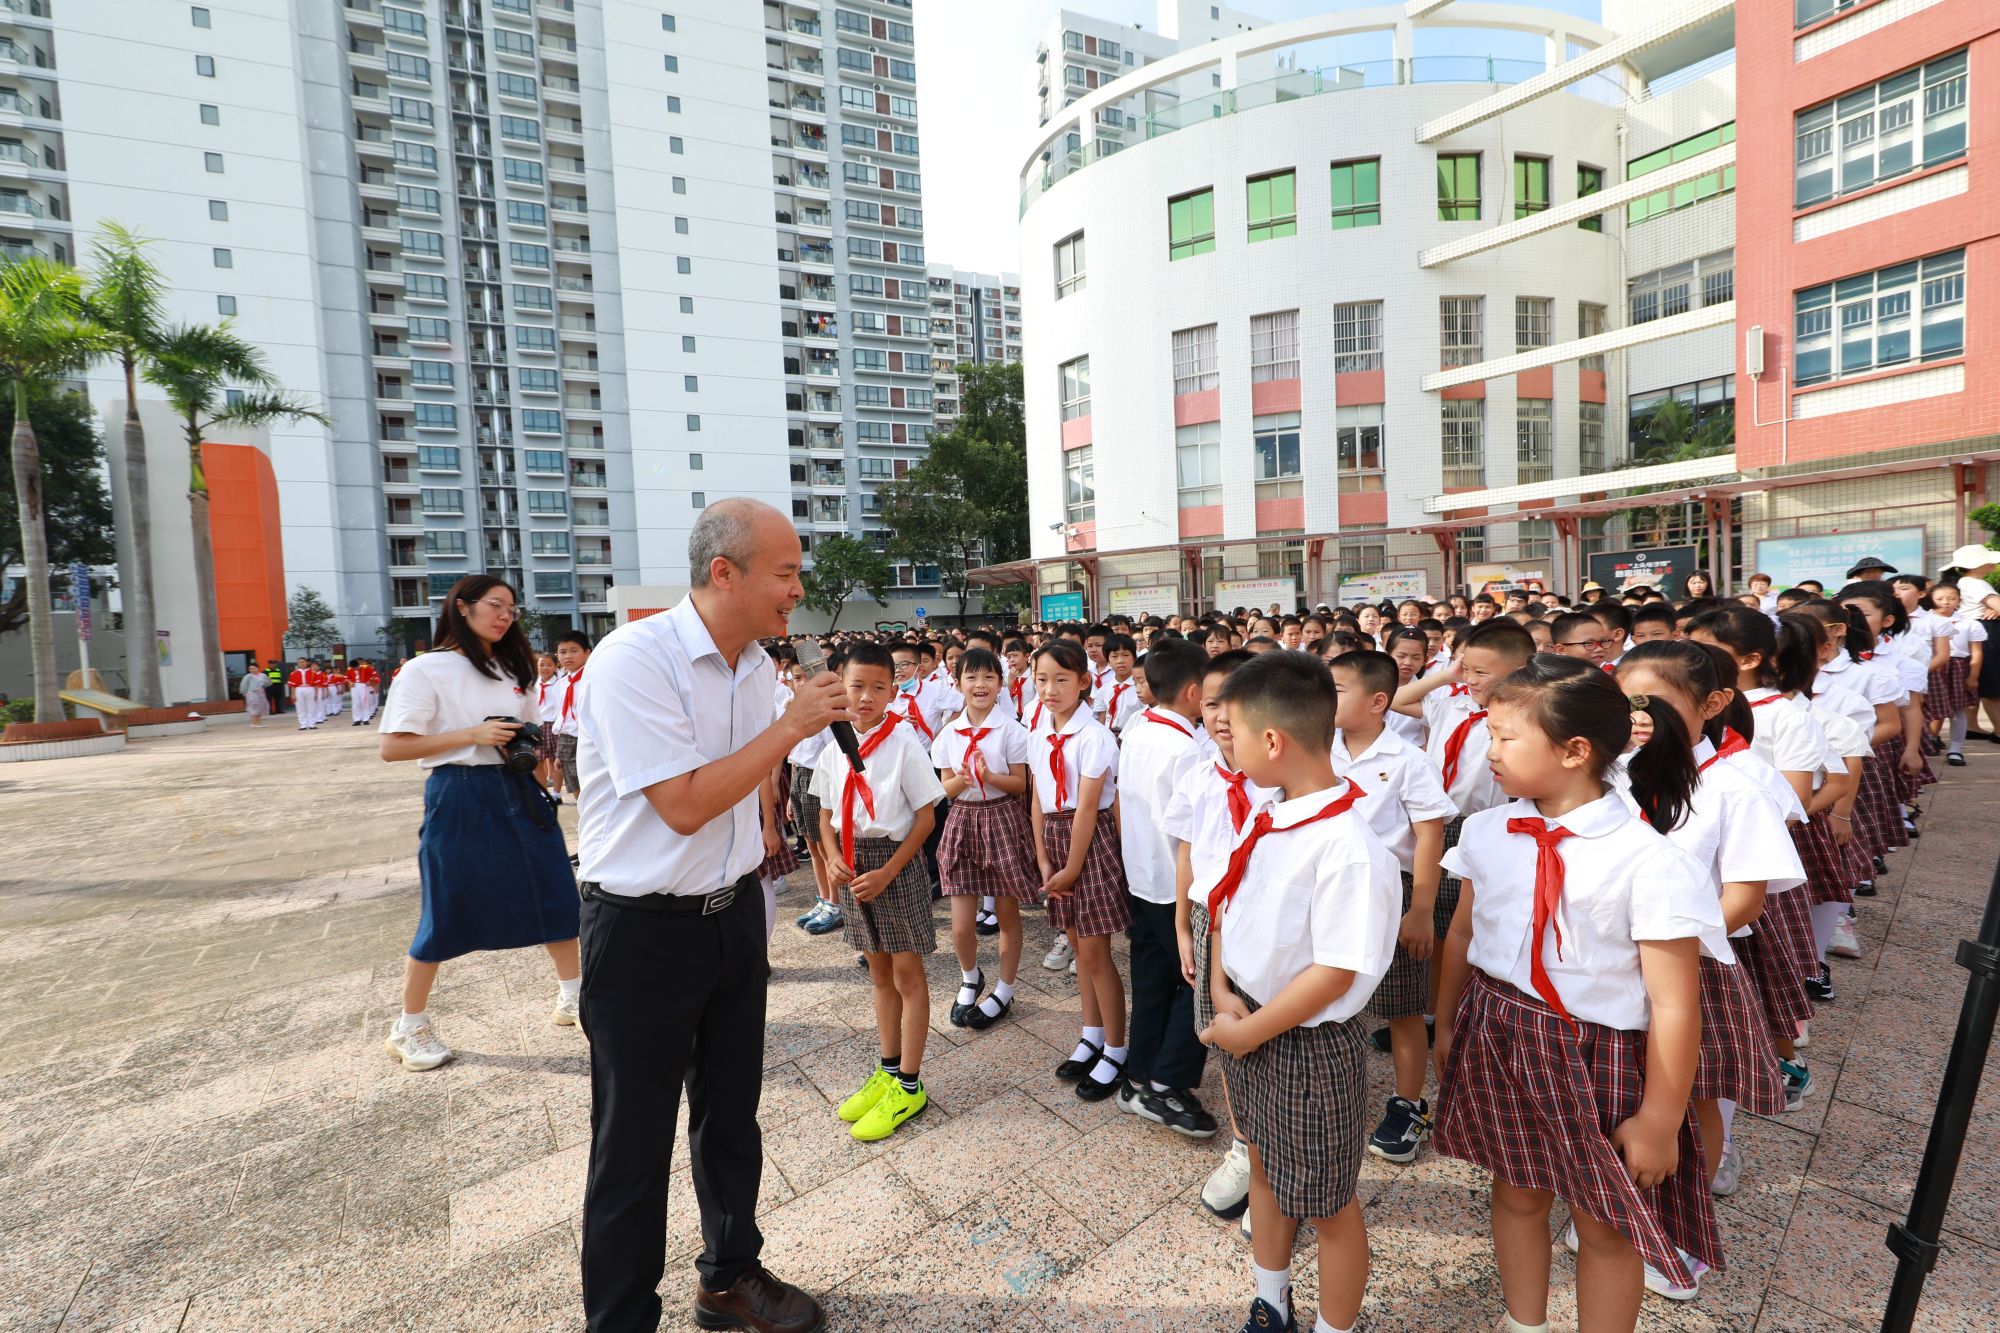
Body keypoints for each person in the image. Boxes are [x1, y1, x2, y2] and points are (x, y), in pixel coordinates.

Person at [572, 500, 844, 1333]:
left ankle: (729, 1275)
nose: (798, 588)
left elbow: (743, 785)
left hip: (730, 918)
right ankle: (619, 1320)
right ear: (723, 572)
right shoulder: (633, 660)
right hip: (642, 930)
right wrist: (792, 727)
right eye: (786, 572)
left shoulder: (756, 662)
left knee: (731, 1113)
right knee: (634, 1143)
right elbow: (684, 804)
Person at [1431, 656, 1727, 1333]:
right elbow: (1462, 931)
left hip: (1596, 1049)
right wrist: (1448, 1022)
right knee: (1516, 1190)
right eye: (1490, 731)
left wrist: (1658, 1117)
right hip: (1499, 1028)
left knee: (1605, 1223)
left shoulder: (1648, 859)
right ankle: (1524, 1322)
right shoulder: (1485, 830)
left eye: (1507, 736)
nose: (1491, 750)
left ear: (1574, 750)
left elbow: (1677, 1002)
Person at [1199, 650, 1401, 1333]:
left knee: (1327, 1203)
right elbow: (1228, 904)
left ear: (1273, 740)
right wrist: (1223, 985)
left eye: (1234, 728)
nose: (1225, 740)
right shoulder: (1270, 811)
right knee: (1261, 1159)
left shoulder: (1347, 844)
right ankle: (1272, 1296)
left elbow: (1336, 972)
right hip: (1249, 1017)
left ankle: (1334, 1326)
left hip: (1307, 1044)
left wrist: (1250, 1029)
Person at [1613, 643, 1800, 1256]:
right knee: (1626, 1088)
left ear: (1713, 703)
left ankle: (1680, 1233)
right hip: (1614, 962)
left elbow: (1744, 898)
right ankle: (1620, 1209)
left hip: (1695, 965)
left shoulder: (1734, 787)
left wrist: (1671, 949)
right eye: (1626, 703)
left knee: (1693, 1094)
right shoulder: (1611, 772)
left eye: (1655, 704)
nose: (1638, 718)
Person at [375, 574, 582, 1075]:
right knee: (448, 906)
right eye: (495, 605)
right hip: (459, 792)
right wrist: (472, 734)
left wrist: (539, 782)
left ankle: (575, 997)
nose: (505, 614)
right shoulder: (425, 670)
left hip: (518, 790)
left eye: (512, 607)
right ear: (462, 608)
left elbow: (530, 738)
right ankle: (410, 1024)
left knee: (555, 890)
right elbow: (393, 746)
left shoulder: (514, 669)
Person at [813, 641, 944, 1141]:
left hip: (896, 865)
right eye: (856, 686)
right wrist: (829, 856)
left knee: (908, 973)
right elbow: (825, 814)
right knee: (878, 971)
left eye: (878, 687)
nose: (865, 697)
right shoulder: (832, 746)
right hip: (853, 867)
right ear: (840, 686)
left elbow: (926, 816)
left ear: (894, 690)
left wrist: (889, 871)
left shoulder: (904, 742)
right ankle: (888, 1069)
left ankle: (910, 1085)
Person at [1331, 651, 1455, 1166]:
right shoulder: (1319, 746)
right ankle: (1336, 1090)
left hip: (1392, 894)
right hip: (1334, 891)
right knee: (1334, 996)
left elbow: (1430, 834)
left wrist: (1421, 908)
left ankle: (1410, 1103)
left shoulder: (1407, 760)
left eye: (1336, 689)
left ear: (1378, 702)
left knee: (1402, 1006)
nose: (1324, 697)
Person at [1114, 637, 1216, 1131]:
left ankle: (1138, 1075)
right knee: (1194, 984)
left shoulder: (1138, 729)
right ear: (1195, 692)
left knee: (1153, 979)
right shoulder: (1187, 748)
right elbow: (1188, 831)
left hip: (1141, 873)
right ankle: (1166, 1083)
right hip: (1177, 882)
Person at [1028, 638, 1130, 1095]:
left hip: (1089, 842)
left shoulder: (1095, 735)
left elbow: (1089, 808)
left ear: (1084, 682)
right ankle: (1090, 1036)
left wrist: (1070, 866)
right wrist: (1043, 856)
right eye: (1042, 679)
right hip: (1054, 836)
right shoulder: (1037, 733)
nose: (1050, 689)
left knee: (1094, 953)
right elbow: (1036, 797)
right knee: (1074, 942)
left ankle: (1117, 1048)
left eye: (1061, 680)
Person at [931, 646, 1039, 1031]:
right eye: (971, 678)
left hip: (1002, 819)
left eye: (989, 677)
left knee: (1007, 914)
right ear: (957, 684)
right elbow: (946, 788)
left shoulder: (1012, 730)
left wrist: (988, 776)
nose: (980, 685)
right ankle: (970, 976)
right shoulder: (948, 734)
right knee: (961, 925)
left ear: (1000, 684)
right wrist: (963, 778)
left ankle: (1005, 988)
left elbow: (1021, 784)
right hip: (963, 822)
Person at [551, 630, 592, 803]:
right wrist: (559, 752)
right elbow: (562, 717)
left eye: (574, 651)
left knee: (591, 782)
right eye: (563, 652)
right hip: (567, 739)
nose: (568, 656)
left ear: (587, 652)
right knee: (573, 784)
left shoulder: (593, 679)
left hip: (588, 737)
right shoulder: (560, 685)